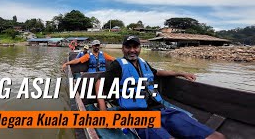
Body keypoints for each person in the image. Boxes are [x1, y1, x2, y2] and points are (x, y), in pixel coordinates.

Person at [95, 36, 225, 139]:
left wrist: (180, 72)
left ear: (139, 48)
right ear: (123, 49)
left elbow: (157, 73)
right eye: (128, 47)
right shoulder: (117, 65)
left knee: (217, 136)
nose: (132, 50)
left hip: (161, 110)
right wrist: (103, 110)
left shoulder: (143, 63)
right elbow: (99, 82)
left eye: (135, 46)